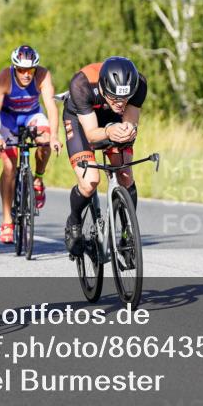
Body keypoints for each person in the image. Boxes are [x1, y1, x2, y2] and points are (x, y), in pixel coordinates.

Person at [61, 56, 146, 256]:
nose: (120, 103)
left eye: (125, 98)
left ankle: (128, 232)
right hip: (81, 119)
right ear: (103, 87)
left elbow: (130, 119)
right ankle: (74, 221)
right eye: (115, 98)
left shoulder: (139, 84)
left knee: (125, 175)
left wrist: (128, 130)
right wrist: (108, 132)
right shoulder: (81, 84)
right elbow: (91, 135)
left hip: (113, 120)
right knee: (90, 181)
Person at [0, 45, 62, 244]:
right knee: (10, 166)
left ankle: (37, 179)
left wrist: (54, 136)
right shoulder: (4, 77)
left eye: (30, 70)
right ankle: (7, 221)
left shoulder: (43, 76)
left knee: (44, 142)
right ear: (14, 68)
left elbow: (51, 108)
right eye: (21, 70)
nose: (27, 75)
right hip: (8, 119)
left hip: (32, 116)